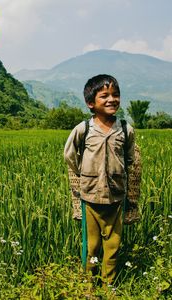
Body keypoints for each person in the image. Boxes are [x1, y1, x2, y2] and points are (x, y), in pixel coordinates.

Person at [64, 74, 135, 289]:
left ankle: (108, 286)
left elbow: (130, 158)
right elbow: (69, 155)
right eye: (104, 96)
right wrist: (85, 174)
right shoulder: (84, 129)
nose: (111, 99)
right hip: (91, 198)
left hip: (115, 198)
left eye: (115, 95)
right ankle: (88, 286)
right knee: (91, 246)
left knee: (113, 245)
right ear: (90, 103)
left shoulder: (125, 129)